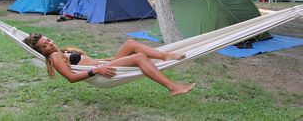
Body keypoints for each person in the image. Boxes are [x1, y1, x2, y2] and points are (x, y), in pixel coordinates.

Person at [23, 34, 195, 96]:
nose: (50, 45)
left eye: (49, 41)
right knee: (140, 57)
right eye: (44, 46)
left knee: (129, 44)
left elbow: (86, 60)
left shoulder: (59, 51)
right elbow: (71, 78)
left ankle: (165, 56)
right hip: (101, 73)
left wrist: (107, 60)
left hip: (104, 65)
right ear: (41, 51)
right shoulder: (54, 57)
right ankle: (173, 87)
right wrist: (96, 70)